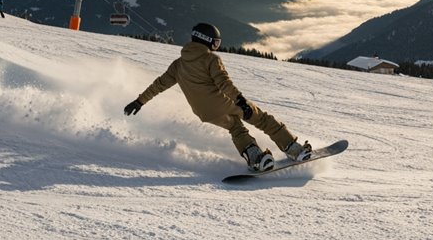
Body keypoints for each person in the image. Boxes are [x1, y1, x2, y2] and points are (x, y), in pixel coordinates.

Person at [123, 23, 311, 171]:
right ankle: (293, 149)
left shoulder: (178, 64)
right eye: (216, 42)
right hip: (223, 103)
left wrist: (140, 101)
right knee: (261, 118)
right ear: (207, 40)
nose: (216, 46)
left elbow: (159, 84)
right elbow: (224, 83)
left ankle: (256, 158)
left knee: (236, 127)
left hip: (203, 112)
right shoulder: (210, 59)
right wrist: (241, 101)